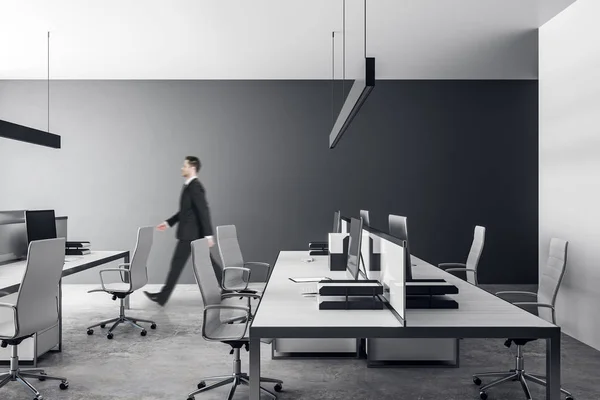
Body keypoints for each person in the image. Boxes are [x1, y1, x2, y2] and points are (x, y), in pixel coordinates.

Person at [145, 156, 214, 306]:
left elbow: (204, 211)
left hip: (190, 235)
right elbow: (185, 212)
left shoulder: (195, 187)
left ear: (192, 168)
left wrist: (209, 235)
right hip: (193, 234)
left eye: (184, 166)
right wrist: (169, 223)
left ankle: (163, 297)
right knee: (208, 262)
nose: (182, 168)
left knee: (176, 264)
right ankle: (227, 286)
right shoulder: (189, 186)